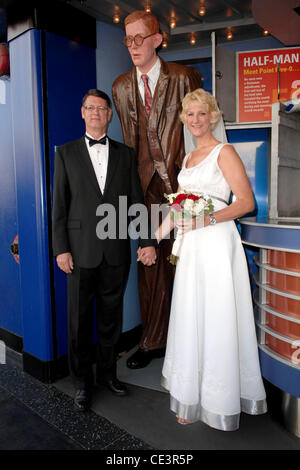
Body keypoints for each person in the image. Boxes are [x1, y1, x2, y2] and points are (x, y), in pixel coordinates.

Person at [156, 88, 267, 431]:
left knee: (217, 315)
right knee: (192, 312)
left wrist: (206, 220)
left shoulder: (225, 152)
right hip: (191, 247)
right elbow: (179, 204)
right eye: (189, 115)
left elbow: (246, 203)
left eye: (202, 113)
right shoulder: (187, 160)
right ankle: (192, 394)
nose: (195, 120)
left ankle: (218, 399)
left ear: (213, 117)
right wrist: (157, 233)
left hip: (217, 242)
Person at [52, 89, 156, 411]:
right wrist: (61, 249)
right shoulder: (66, 153)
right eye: (90, 107)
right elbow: (60, 206)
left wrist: (147, 241)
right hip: (79, 254)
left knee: (110, 321)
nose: (96, 112)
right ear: (82, 113)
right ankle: (81, 384)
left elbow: (135, 202)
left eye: (102, 108)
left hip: (115, 253)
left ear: (109, 115)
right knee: (79, 323)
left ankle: (109, 375)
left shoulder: (126, 155)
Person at [112, 10, 203, 369]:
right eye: (127, 39)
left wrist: (196, 184)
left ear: (157, 39)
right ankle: (151, 341)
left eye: (139, 38)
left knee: (185, 262)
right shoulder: (120, 86)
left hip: (183, 186)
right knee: (149, 265)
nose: (133, 46)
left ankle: (188, 342)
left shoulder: (184, 77)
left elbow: (199, 129)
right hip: (142, 189)